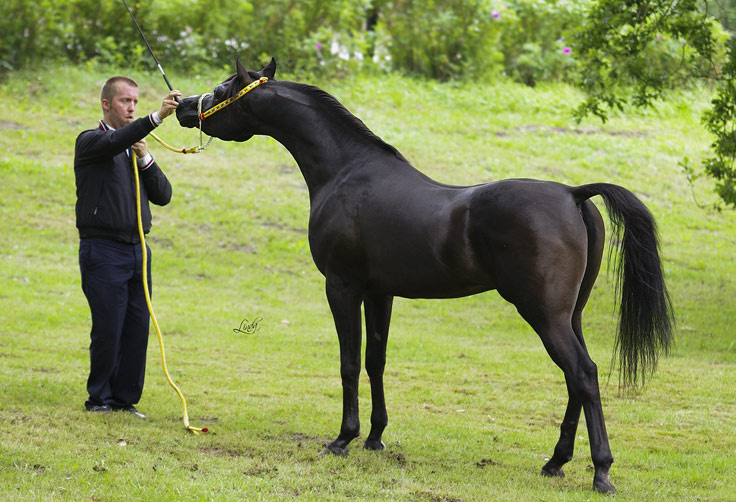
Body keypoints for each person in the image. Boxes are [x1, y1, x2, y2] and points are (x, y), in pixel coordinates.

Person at [74, 76, 182, 418]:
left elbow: (164, 195)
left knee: (137, 326)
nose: (131, 107)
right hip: (102, 250)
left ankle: (124, 399)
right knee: (108, 325)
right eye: (124, 101)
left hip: (138, 250)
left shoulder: (134, 147)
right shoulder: (92, 142)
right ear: (107, 104)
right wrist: (156, 117)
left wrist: (146, 157)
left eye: (135, 101)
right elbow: (117, 139)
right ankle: (99, 399)